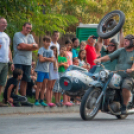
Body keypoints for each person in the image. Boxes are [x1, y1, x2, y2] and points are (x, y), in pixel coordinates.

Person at [94, 34, 134, 114]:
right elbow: (109, 56)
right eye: (125, 40)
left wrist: (132, 69)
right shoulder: (121, 50)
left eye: (127, 40)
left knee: (125, 86)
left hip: (128, 76)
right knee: (106, 82)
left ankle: (124, 106)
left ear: (132, 42)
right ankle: (106, 101)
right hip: (117, 75)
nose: (125, 42)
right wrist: (100, 59)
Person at [13, 22, 38, 106]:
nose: (28, 30)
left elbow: (36, 46)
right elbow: (22, 46)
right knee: (17, 80)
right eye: (27, 28)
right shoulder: (17, 35)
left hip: (28, 62)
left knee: (25, 80)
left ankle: (23, 100)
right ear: (23, 27)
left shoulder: (30, 36)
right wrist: (31, 46)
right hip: (18, 61)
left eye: (30, 28)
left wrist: (24, 46)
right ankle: (15, 99)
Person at [35, 36, 54, 107]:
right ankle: (36, 100)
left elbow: (52, 59)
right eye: (47, 41)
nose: (48, 43)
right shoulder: (41, 50)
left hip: (47, 70)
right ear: (44, 42)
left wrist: (45, 58)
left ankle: (42, 100)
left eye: (49, 42)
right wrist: (47, 59)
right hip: (40, 70)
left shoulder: (51, 51)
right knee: (38, 86)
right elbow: (40, 60)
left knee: (44, 86)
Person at [0, 17, 14, 107]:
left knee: (2, 82)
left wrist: (11, 62)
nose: (5, 24)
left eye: (6, 23)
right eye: (3, 23)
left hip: (5, 62)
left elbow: (8, 49)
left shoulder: (6, 36)